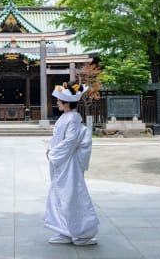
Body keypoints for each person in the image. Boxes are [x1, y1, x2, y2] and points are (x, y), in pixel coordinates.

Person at [44, 81, 99, 246]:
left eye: (59, 101)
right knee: (60, 195)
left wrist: (53, 153)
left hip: (69, 164)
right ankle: (65, 230)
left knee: (72, 195)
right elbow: (58, 138)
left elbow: (71, 141)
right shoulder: (66, 117)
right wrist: (50, 148)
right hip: (62, 162)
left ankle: (82, 232)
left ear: (67, 103)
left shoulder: (73, 117)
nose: (57, 103)